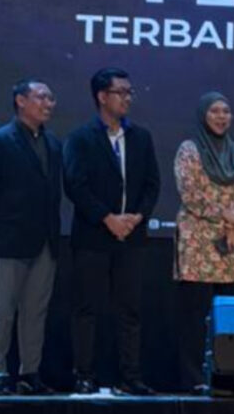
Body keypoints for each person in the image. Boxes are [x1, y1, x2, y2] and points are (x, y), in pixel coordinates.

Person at [63, 67, 161, 396]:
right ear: (102, 97)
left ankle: (130, 377)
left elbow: (152, 184)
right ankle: (84, 375)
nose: (127, 98)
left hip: (132, 237)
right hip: (93, 236)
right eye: (121, 92)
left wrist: (136, 218)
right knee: (86, 309)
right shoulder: (80, 138)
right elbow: (75, 185)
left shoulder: (141, 137)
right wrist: (107, 218)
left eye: (130, 92)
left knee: (130, 310)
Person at [0, 79, 62, 395]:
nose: (49, 104)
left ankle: (29, 373)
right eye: (42, 97)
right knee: (3, 310)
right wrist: (1, 224)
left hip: (46, 240)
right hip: (12, 240)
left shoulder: (53, 144)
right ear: (21, 101)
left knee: (35, 312)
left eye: (51, 99)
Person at [173, 92, 234, 393]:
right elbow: (190, 193)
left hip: (231, 242)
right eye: (215, 111)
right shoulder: (189, 149)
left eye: (226, 111)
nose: (221, 117)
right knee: (194, 315)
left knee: (229, 314)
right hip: (197, 241)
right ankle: (193, 377)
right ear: (203, 115)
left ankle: (227, 375)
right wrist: (227, 216)